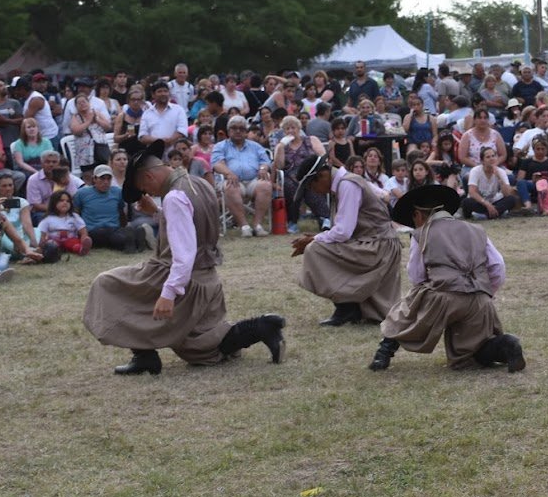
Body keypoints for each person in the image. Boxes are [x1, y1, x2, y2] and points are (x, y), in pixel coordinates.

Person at [84, 139, 285, 375]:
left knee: (107, 285)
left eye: (144, 188)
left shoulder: (173, 197)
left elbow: (184, 253)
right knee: (201, 346)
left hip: (180, 277)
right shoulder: (198, 183)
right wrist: (157, 212)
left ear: (148, 177)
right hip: (207, 277)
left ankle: (143, 355)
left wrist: (168, 293)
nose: (147, 193)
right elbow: (190, 224)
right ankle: (261, 327)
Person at [368, 185, 525, 372]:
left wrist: (423, 299)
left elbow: (416, 275)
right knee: (471, 351)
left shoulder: (422, 234)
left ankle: (383, 354)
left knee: (404, 312)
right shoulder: (476, 230)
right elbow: (497, 265)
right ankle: (506, 345)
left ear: (418, 214)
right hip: (480, 299)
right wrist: (486, 291)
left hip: (444, 296)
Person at [291, 154, 402, 326]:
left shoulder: (348, 185)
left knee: (315, 249)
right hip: (374, 243)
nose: (313, 191)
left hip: (378, 247)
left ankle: (346, 307)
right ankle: (350, 306)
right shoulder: (346, 183)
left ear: (322, 175)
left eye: (311, 185)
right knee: (321, 245)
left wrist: (313, 239)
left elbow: (343, 232)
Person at [211, 115, 273, 237]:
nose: (238, 131)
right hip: (231, 180)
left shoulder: (255, 146)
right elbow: (217, 164)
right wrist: (228, 173)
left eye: (242, 128)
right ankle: (244, 226)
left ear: (246, 131)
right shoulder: (220, 146)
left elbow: (266, 161)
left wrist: (263, 168)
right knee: (231, 186)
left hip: (253, 180)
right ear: (229, 131)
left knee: (265, 185)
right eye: (234, 128)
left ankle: (257, 225)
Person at [74, 164, 150, 253]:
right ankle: (133, 240)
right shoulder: (82, 193)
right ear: (94, 179)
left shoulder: (117, 192)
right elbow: (76, 213)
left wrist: (123, 226)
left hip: (114, 228)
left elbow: (121, 212)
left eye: (108, 179)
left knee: (116, 236)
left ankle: (135, 239)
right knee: (110, 237)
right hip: (93, 230)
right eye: (102, 178)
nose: (106, 182)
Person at [463, 148, 519, 219]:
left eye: (493, 156)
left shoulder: (501, 172)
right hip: (480, 201)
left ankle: (485, 215)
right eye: (488, 157)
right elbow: (472, 192)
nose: (492, 159)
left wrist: (499, 177)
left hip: (493, 201)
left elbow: (507, 193)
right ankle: (495, 213)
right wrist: (487, 204)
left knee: (511, 199)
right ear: (482, 161)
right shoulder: (475, 171)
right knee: (466, 202)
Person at [39, 190, 92, 255]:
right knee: (51, 243)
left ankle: (81, 249)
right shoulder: (48, 218)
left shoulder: (74, 216)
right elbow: (42, 233)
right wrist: (41, 244)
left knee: (74, 243)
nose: (65, 203)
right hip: (54, 240)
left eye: (68, 201)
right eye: (61, 200)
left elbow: (83, 231)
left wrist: (84, 240)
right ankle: (53, 250)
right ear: (53, 203)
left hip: (70, 239)